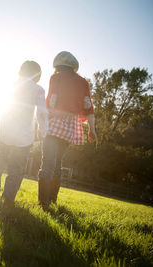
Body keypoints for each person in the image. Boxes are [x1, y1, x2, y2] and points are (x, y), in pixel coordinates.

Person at [38, 51, 97, 209]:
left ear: (57, 65)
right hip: (71, 126)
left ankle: (43, 203)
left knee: (47, 163)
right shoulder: (83, 82)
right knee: (57, 164)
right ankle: (52, 200)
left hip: (55, 121)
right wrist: (92, 130)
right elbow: (88, 106)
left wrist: (42, 123)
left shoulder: (55, 78)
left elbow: (50, 101)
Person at [0, 60, 48, 205]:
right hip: (24, 137)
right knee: (17, 168)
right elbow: (42, 113)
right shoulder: (38, 89)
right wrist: (42, 131)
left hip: (6, 132)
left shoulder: (11, 84)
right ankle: (8, 197)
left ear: (21, 71)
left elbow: (2, 106)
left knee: (0, 159)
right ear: (37, 75)